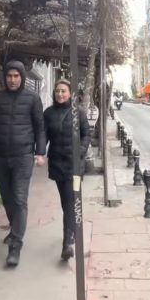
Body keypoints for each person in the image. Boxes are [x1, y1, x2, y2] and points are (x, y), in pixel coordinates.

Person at [0, 60, 46, 267]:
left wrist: (40, 152)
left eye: (16, 76)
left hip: (23, 157)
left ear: (22, 77)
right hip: (0, 157)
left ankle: (15, 246)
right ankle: (15, 229)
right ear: (6, 78)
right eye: (9, 76)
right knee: (8, 198)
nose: (13, 80)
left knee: (20, 199)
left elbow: (40, 127)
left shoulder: (33, 99)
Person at [43, 79, 90, 261]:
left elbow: (86, 133)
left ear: (70, 93)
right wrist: (38, 152)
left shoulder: (79, 114)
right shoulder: (48, 113)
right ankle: (73, 229)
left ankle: (67, 243)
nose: (60, 94)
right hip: (57, 163)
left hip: (75, 165)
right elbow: (44, 136)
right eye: (57, 91)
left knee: (70, 201)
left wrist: (81, 150)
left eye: (63, 91)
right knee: (66, 202)